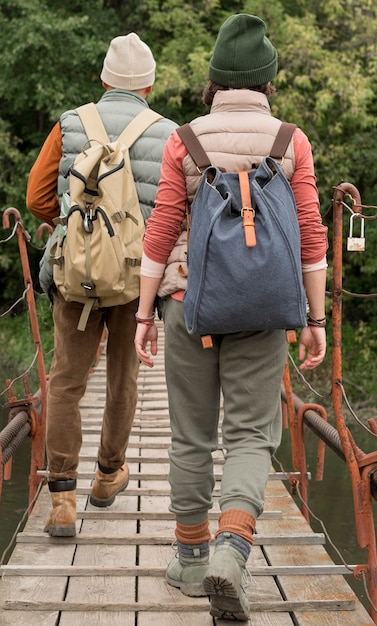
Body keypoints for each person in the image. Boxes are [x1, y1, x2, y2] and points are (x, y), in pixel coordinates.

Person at [134, 13, 328, 622]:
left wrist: (144, 312)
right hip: (267, 308)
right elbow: (313, 236)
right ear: (267, 80)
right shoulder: (290, 140)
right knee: (251, 433)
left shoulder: (183, 139)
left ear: (214, 80)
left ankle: (190, 559)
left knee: (192, 432)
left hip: (188, 304)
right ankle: (233, 552)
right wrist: (315, 319)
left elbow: (162, 229)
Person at [26, 32, 177, 538]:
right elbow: (176, 215)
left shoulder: (71, 123)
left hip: (75, 276)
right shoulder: (169, 132)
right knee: (123, 378)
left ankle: (62, 501)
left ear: (105, 78)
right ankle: (108, 477)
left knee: (66, 380)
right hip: (137, 279)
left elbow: (35, 197)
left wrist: (71, 227)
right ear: (150, 84)